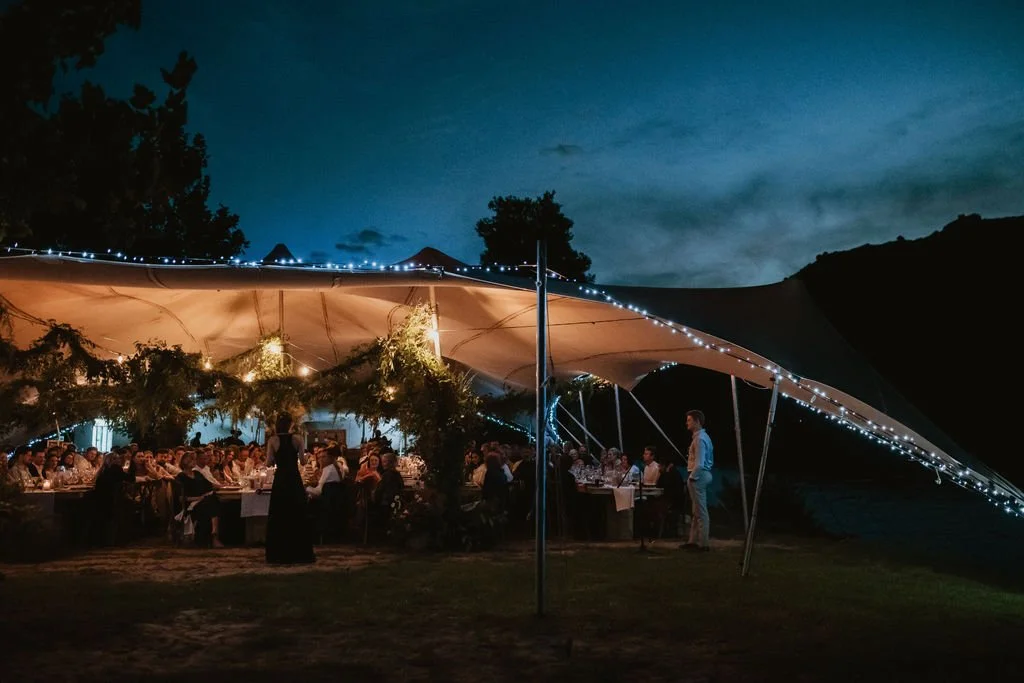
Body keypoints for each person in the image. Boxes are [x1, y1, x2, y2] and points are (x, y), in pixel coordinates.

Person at [264, 413, 315, 564]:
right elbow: (303, 461)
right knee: (296, 512)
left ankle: (278, 553)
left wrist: (276, 460)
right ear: (290, 425)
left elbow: (268, 463)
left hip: (280, 479)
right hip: (294, 478)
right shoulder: (298, 439)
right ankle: (299, 552)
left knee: (280, 513)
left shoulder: (273, 440)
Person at [682, 409, 713, 552]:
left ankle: (703, 543)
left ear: (697, 421)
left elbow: (699, 463)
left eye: (689, 420)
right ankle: (693, 540)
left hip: (699, 476)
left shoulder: (700, 439)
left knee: (700, 511)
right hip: (701, 475)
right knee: (696, 511)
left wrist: (692, 478)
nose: (687, 423)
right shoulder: (700, 437)